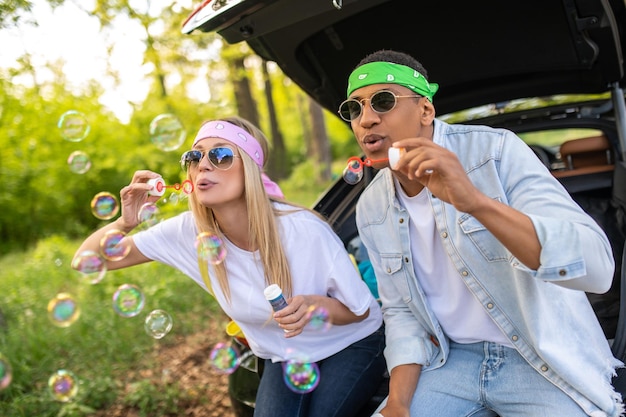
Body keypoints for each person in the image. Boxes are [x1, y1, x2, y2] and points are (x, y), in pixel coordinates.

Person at [338, 49, 625, 417]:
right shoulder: (371, 206)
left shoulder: (495, 151)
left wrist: (475, 201)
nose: (367, 119)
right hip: (451, 361)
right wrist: (398, 402)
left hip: (540, 357)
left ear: (425, 110)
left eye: (382, 101)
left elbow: (598, 269)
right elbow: (400, 312)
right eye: (354, 108)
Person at [72, 116, 386, 417]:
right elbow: (87, 261)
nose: (204, 165)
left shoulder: (303, 230)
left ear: (249, 169)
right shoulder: (189, 232)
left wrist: (318, 306)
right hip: (287, 355)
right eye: (194, 157)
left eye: (221, 155)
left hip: (352, 342)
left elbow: (362, 310)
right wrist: (126, 222)